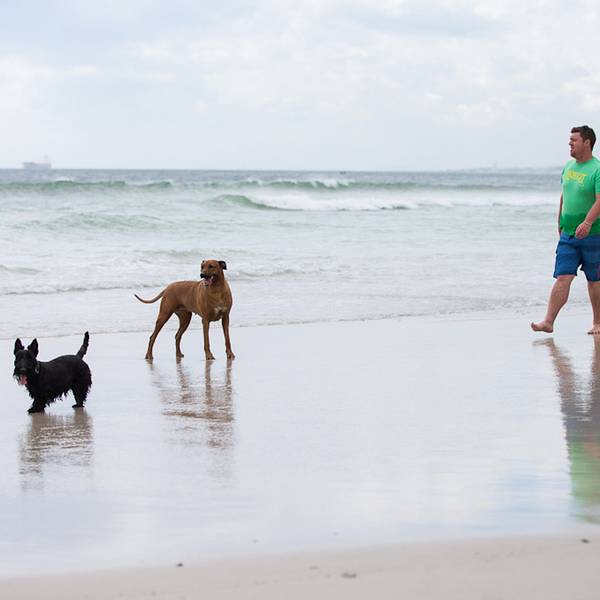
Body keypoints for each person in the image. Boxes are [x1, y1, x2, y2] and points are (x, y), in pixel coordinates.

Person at [532, 125, 600, 335]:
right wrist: (559, 222)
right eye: (570, 140)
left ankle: (598, 323)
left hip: (594, 234)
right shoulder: (569, 166)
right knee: (563, 276)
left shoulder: (597, 169)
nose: (570, 143)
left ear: (587, 142)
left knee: (595, 280)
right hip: (568, 234)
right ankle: (548, 322)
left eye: (574, 140)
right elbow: (565, 195)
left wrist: (587, 223)